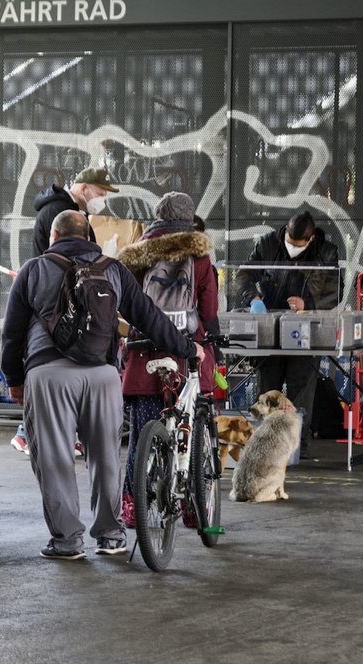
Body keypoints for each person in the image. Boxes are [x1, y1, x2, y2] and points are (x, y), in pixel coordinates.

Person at [1, 210, 203, 560]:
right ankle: (111, 537)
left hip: (48, 374)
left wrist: (14, 380)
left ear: (53, 236)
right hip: (103, 375)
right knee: (106, 457)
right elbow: (148, 317)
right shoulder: (113, 269)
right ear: (89, 236)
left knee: (54, 458)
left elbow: (12, 333)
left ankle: (67, 542)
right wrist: (188, 348)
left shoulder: (34, 269)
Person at [115, 192, 219, 528]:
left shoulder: (136, 256)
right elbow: (209, 311)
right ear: (190, 220)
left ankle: (131, 505)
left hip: (144, 352)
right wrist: (212, 344)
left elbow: (125, 307)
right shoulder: (200, 258)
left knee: (144, 433)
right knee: (191, 425)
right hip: (189, 353)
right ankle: (193, 504)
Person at [13, 166, 119, 454]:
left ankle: (45, 433)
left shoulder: (60, 209)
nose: (102, 199)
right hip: (61, 300)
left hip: (56, 298)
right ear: (85, 188)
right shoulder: (64, 213)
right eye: (100, 193)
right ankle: (32, 433)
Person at [236, 210, 340, 457]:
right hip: (270, 329)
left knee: (300, 389)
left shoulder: (327, 252)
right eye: (289, 243)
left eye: (298, 244)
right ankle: (265, 442)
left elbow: (335, 291)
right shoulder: (268, 243)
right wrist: (253, 298)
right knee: (267, 388)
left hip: (305, 333)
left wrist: (309, 304)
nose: (292, 248)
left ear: (311, 238)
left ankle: (296, 445)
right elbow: (244, 275)